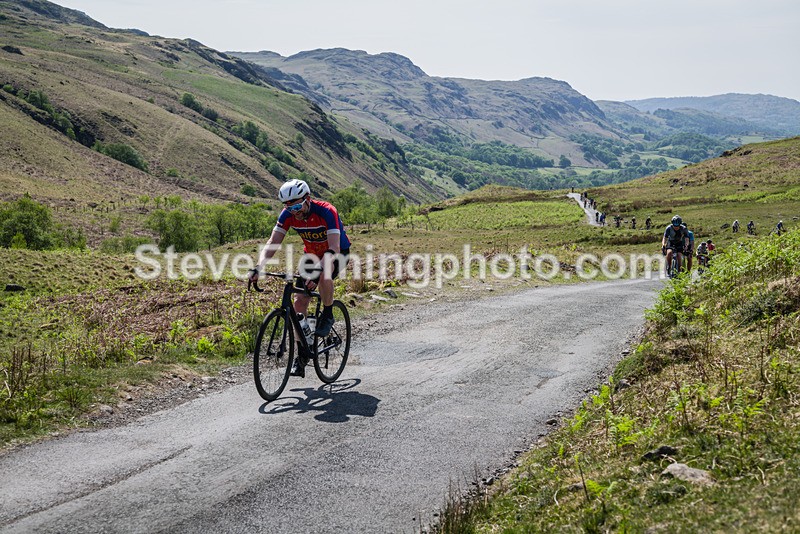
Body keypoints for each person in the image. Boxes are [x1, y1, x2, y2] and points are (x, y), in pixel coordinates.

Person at [249, 179, 351, 377]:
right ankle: (302, 354)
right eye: (288, 207)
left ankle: (328, 314)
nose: (294, 211)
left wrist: (320, 271)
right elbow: (273, 242)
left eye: (297, 206)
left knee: (324, 276)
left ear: (308, 199)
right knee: (298, 304)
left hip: (337, 252)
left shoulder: (327, 211)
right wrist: (258, 267)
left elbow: (334, 248)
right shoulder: (288, 215)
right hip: (311, 256)